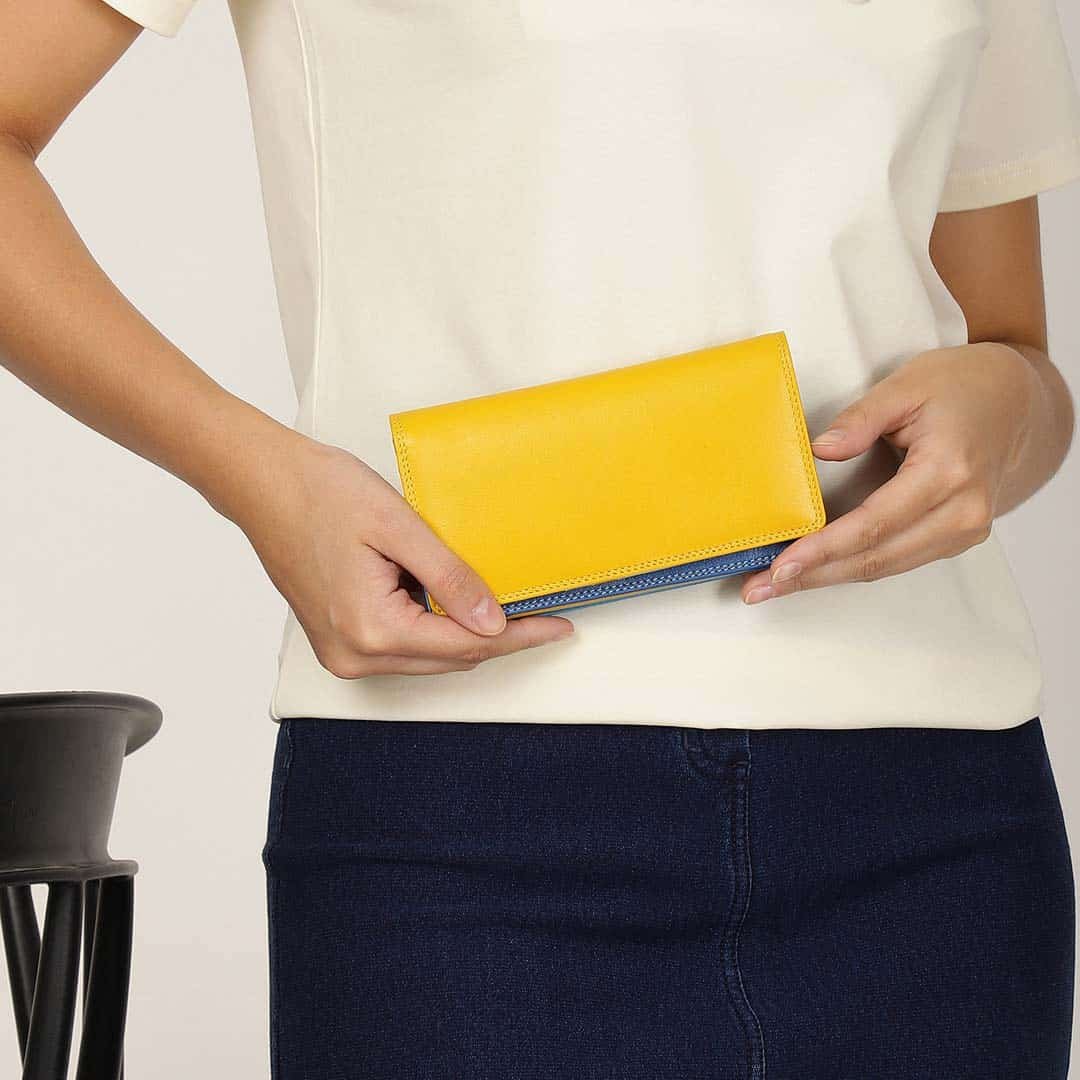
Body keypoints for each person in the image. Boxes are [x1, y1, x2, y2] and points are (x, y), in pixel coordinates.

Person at [3, 0, 1079, 1075]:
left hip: (939, 819)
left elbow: (1013, 351)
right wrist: (255, 476)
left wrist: (1009, 409)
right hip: (472, 808)